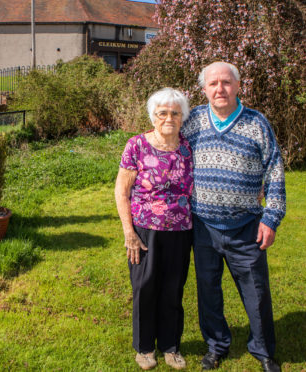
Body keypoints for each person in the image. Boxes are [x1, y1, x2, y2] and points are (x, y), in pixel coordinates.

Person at [181, 62, 286, 372]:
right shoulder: (194, 120)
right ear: (203, 89)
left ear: (239, 86)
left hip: (246, 227)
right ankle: (216, 346)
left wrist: (271, 217)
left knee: (256, 293)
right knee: (208, 291)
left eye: (226, 82)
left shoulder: (256, 123)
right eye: (213, 83)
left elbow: (275, 171)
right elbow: (169, 147)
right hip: (203, 226)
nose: (219, 89)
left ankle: (263, 350)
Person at [115, 88, 194, 370]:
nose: (169, 117)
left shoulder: (188, 146)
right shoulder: (136, 145)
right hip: (145, 230)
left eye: (175, 112)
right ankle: (145, 347)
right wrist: (129, 233)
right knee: (145, 287)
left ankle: (171, 346)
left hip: (181, 230)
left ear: (183, 116)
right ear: (153, 116)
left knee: (173, 288)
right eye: (163, 113)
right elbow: (121, 191)